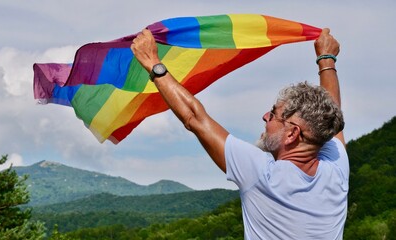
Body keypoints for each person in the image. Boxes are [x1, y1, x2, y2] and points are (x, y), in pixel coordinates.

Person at [131, 28, 348, 239]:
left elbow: (194, 118)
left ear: (292, 133)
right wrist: (326, 60)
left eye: (273, 114)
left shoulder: (263, 175)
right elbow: (329, 117)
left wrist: (152, 63)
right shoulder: (336, 171)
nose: (265, 117)